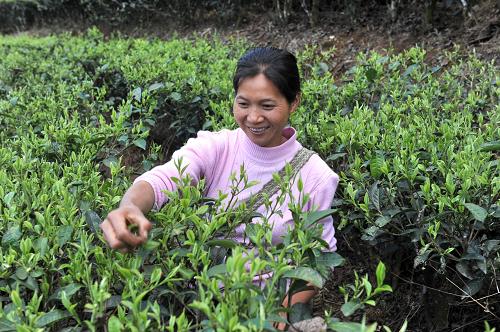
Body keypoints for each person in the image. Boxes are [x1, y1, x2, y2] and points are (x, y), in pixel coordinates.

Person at [100, 46, 339, 320]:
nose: (253, 117)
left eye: (267, 105)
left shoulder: (316, 175)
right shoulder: (216, 147)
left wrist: (280, 319)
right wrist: (129, 206)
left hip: (267, 311)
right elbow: (164, 178)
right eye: (243, 103)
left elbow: (320, 259)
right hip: (201, 305)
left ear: (294, 102)